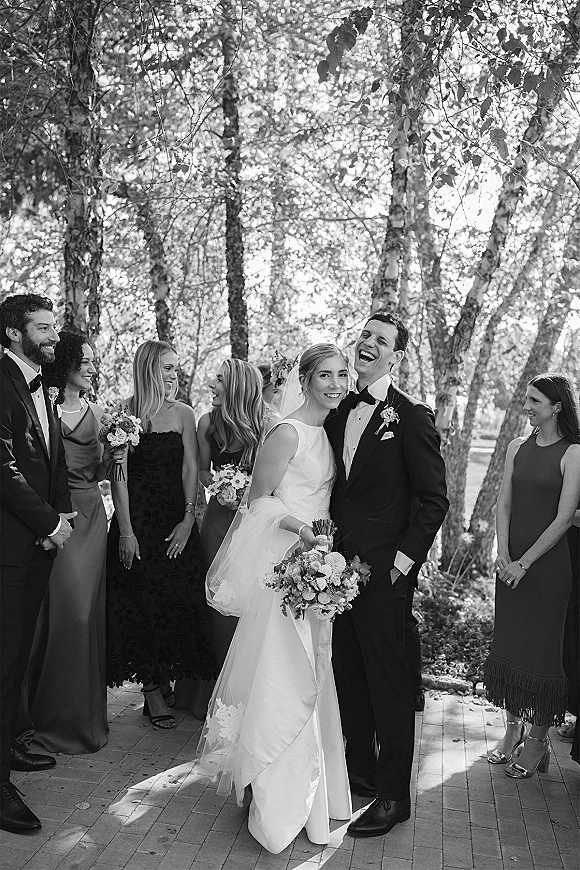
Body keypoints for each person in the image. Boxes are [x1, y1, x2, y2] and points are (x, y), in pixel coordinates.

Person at [196, 344, 352, 853]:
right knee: (283, 674)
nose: (335, 383)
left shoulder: (329, 433)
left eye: (341, 374)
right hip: (286, 566)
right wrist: (299, 527)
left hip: (318, 569)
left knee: (313, 672)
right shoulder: (286, 432)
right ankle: (272, 796)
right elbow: (256, 502)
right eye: (324, 375)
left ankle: (310, 797)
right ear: (303, 381)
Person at [324, 311, 448, 838]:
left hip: (387, 576)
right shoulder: (336, 413)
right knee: (349, 675)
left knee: (391, 684)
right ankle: (363, 772)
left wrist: (401, 564)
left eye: (382, 341)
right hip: (335, 572)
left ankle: (395, 796)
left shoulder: (412, 416)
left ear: (396, 356)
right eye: (365, 336)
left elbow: (432, 499)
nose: (368, 345)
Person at [106, 340, 216, 729]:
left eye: (176, 368)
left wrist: (189, 518)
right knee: (140, 604)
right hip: (137, 524)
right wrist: (125, 531)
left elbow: (191, 468)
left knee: (177, 599)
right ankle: (152, 690)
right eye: (168, 368)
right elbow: (118, 476)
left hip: (175, 520)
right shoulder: (124, 414)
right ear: (149, 368)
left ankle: (166, 678)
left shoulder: (185, 413)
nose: (174, 375)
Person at [0, 294, 75, 834]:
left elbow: (46, 462)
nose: (53, 336)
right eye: (42, 328)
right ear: (12, 334)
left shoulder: (39, 384)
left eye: (53, 327)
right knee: (2, 667)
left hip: (34, 552)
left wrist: (61, 515)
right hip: (9, 551)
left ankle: (7, 747)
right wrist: (50, 524)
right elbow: (3, 470)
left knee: (16, 660)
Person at [484, 373, 580, 778]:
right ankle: (511, 732)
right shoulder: (515, 447)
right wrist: (504, 554)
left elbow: (564, 518)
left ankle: (538, 743)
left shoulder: (572, 452)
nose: (526, 406)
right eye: (526, 398)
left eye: (535, 401)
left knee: (542, 658)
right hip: (510, 567)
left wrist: (524, 563)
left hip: (546, 572)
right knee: (510, 651)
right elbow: (502, 502)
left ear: (556, 407)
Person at [20, 332, 109, 754]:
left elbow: (107, 471)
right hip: (57, 516)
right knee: (53, 618)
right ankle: (41, 716)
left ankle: (82, 720)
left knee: (84, 617)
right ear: (68, 363)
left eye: (94, 362)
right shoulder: (45, 407)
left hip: (93, 519)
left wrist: (119, 455)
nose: (91, 367)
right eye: (85, 360)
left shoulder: (100, 414)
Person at [197, 359, 264, 667]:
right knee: (215, 597)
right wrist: (220, 484)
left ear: (236, 387)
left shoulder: (265, 426)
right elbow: (201, 471)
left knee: (247, 599)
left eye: (220, 380)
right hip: (217, 521)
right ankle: (211, 687)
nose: (213, 384)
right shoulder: (207, 423)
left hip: (252, 525)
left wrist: (247, 491)